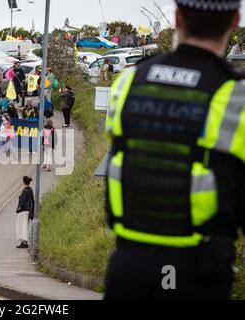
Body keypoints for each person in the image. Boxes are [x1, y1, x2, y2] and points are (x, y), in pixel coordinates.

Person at [104, 0, 245, 300]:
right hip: (197, 272)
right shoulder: (236, 97)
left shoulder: (128, 82)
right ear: (234, 21)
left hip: (127, 268)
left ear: (178, 18)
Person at [16, 176, 35, 249]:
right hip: (28, 210)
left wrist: (19, 208)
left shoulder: (24, 190)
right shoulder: (30, 189)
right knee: (25, 226)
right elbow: (32, 200)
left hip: (23, 211)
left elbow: (22, 201)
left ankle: (24, 242)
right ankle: (24, 241)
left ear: (23, 182)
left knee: (22, 226)